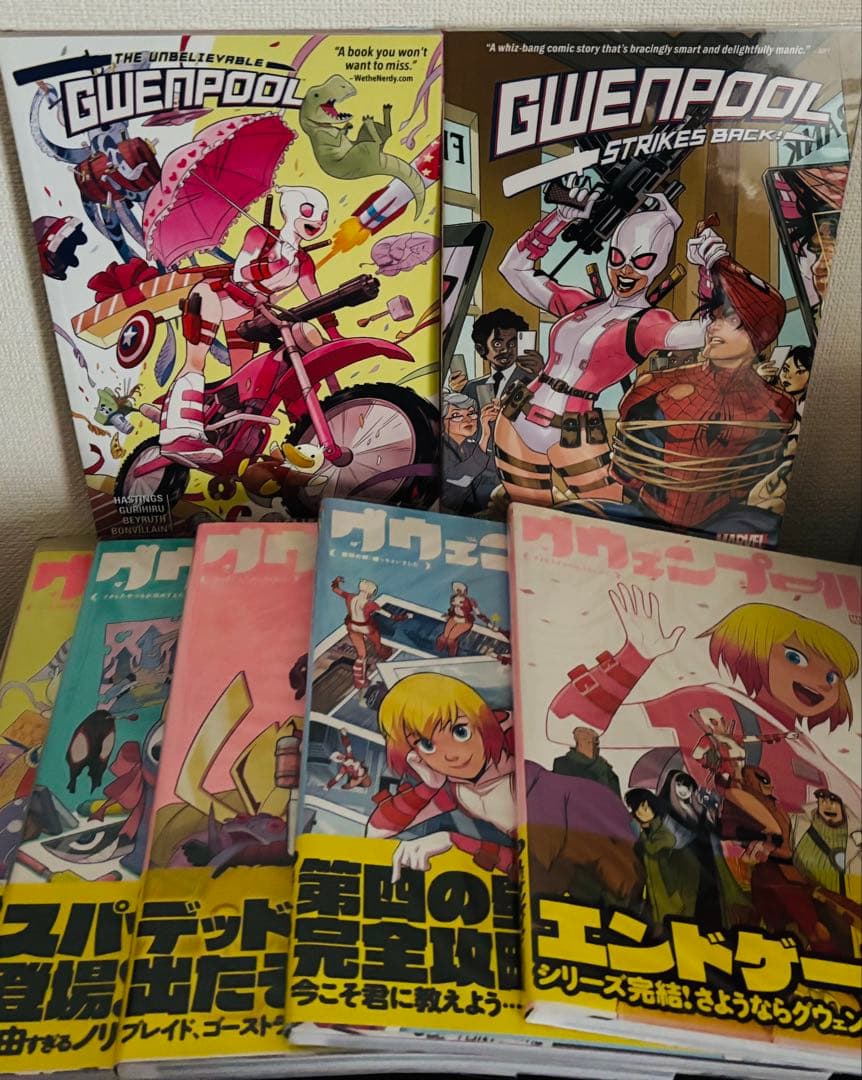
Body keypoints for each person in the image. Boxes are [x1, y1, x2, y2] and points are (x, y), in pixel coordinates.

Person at [493, 180, 712, 506]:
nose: (625, 270)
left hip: (573, 434)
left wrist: (710, 271)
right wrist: (558, 219)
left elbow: (710, 331)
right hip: (516, 419)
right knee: (527, 516)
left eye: (641, 261)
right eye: (618, 258)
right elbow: (512, 268)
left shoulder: (647, 324)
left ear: (659, 263)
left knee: (613, 513)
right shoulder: (580, 304)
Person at [611, 249, 795, 542]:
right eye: (714, 318)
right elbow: (627, 469)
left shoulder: (777, 407)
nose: (713, 326)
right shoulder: (655, 386)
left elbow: (756, 474)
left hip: (722, 522)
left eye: (730, 319)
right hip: (647, 514)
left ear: (759, 334)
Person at [159, 186, 333, 466]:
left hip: (250, 315)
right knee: (196, 360)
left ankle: (228, 435)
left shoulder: (303, 261)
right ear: (291, 210)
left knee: (242, 380)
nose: (318, 221)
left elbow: (318, 299)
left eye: (323, 215)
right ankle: (178, 434)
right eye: (308, 210)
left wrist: (334, 334)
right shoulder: (260, 236)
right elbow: (241, 272)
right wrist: (274, 266)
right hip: (216, 295)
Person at [367, 673, 516, 879]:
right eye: (427, 744)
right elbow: (377, 830)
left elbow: (545, 865)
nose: (451, 755)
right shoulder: (457, 787)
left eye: (460, 731)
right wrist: (431, 785)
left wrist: (455, 842)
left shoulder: (518, 746)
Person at [330, 576, 410, 688]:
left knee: (361, 655)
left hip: (352, 626)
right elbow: (391, 616)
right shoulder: (371, 604)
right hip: (366, 628)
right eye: (373, 592)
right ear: (370, 592)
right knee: (378, 645)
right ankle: (385, 654)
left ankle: (359, 682)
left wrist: (336, 581)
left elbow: (335, 589)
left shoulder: (349, 597)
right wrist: (406, 616)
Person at [440, 392, 498, 514]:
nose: (467, 420)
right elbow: (461, 477)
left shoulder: (469, 446)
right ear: (443, 421)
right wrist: (485, 435)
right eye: (456, 415)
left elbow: (495, 467)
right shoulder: (441, 448)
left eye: (471, 413)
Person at [552, 726, 620, 798]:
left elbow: (616, 799)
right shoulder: (562, 764)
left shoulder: (606, 769)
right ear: (579, 744)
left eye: (595, 743)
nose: (592, 746)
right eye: (588, 742)